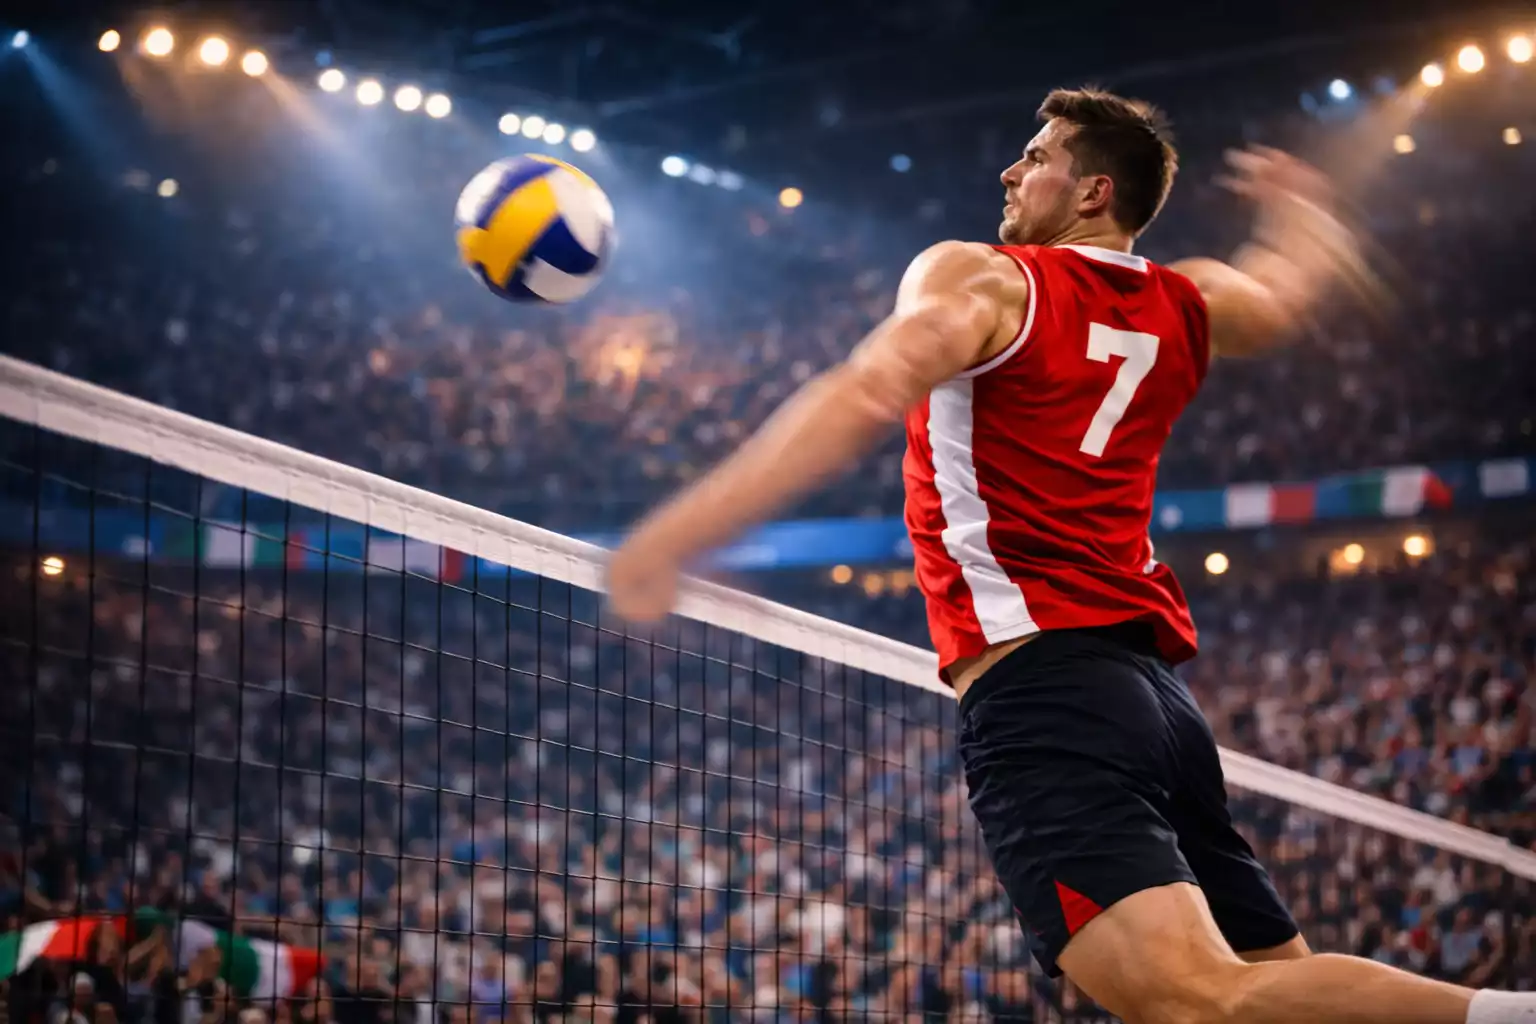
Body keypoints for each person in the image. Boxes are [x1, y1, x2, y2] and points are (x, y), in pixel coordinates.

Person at [607, 86, 1536, 1024]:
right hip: (1157, 706)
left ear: (1093, 191)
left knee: (1198, 1003)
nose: (1011, 170)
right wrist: (1301, 211)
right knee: (1270, 1004)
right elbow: (1286, 298)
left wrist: (674, 536)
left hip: (1044, 693)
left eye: (1036, 154)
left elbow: (864, 391)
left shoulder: (985, 279)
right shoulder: (1188, 297)